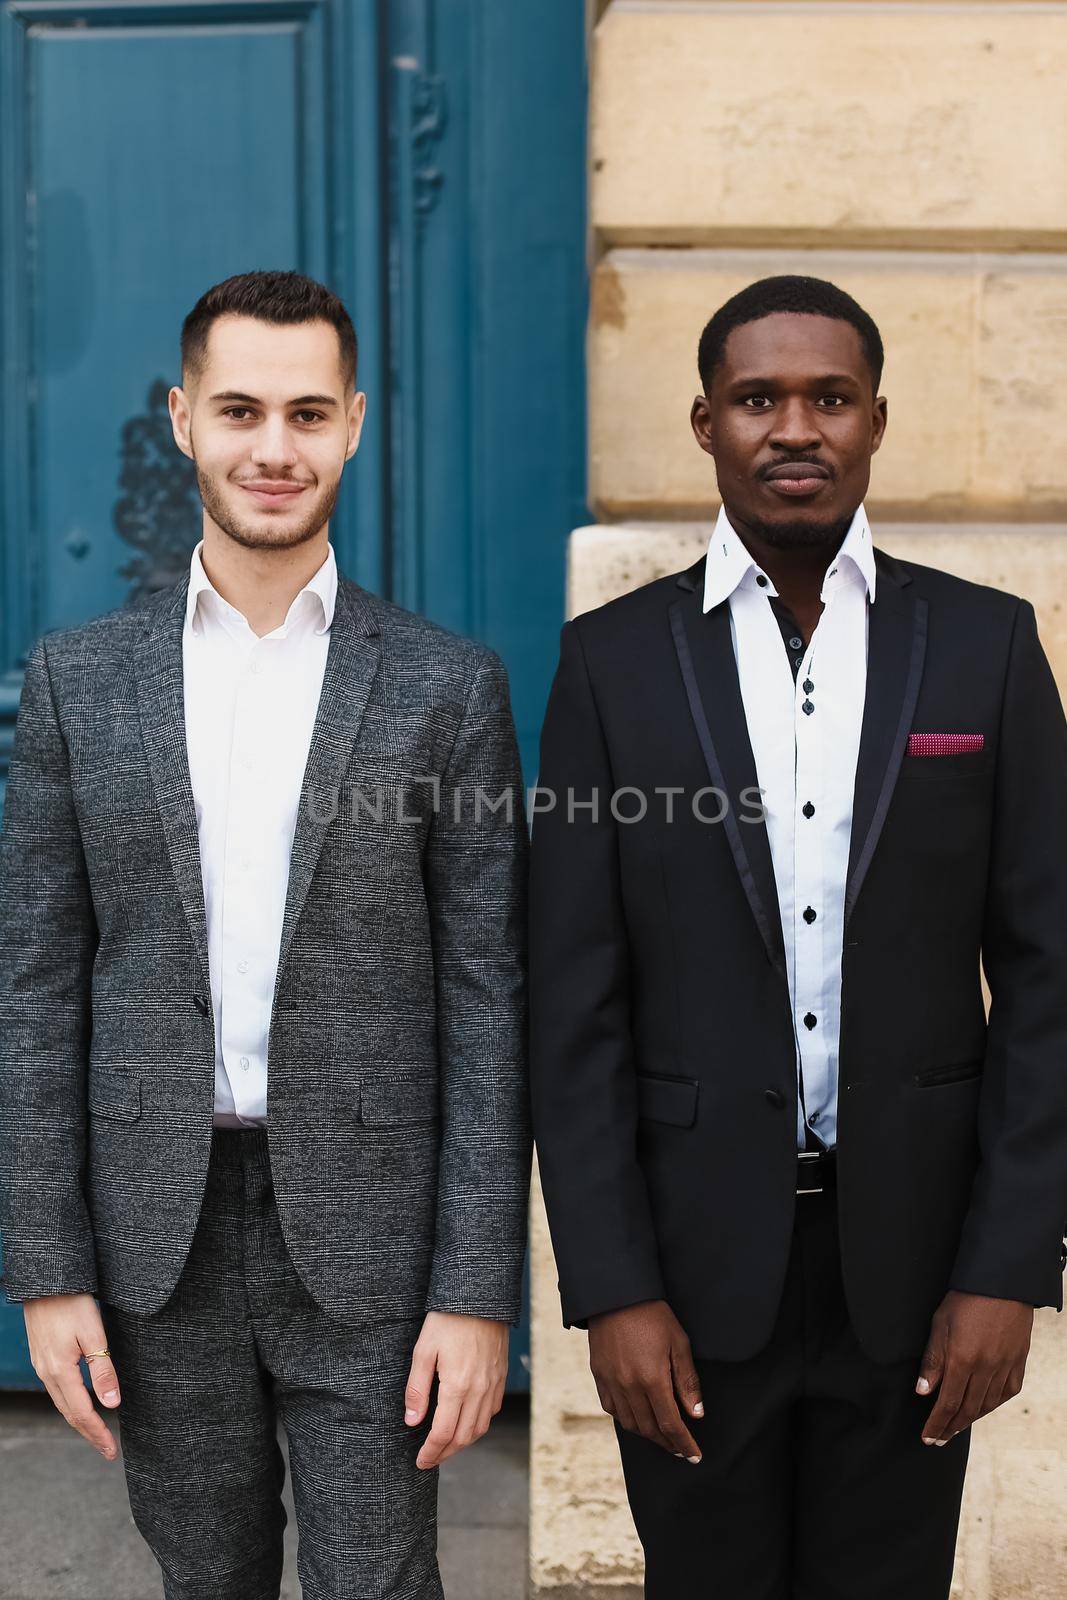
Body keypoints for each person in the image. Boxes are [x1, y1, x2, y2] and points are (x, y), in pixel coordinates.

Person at [528, 274, 1067, 1598]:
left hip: (920, 1277)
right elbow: (572, 997)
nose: (795, 427)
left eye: (829, 398)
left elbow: (1053, 975)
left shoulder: (986, 649)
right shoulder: (612, 664)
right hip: (690, 1280)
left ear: (877, 421)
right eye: (758, 397)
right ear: (704, 420)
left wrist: (1011, 1269)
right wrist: (611, 1288)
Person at [0, 269, 531, 1600]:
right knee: (204, 1577)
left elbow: (485, 996)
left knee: (377, 1581)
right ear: (182, 419)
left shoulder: (444, 687)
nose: (273, 448)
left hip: (372, 1241)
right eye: (240, 410)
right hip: (154, 1241)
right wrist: (49, 1269)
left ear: (356, 424)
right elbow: (37, 987)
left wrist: (475, 1290)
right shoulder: (80, 681)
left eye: (307, 413)